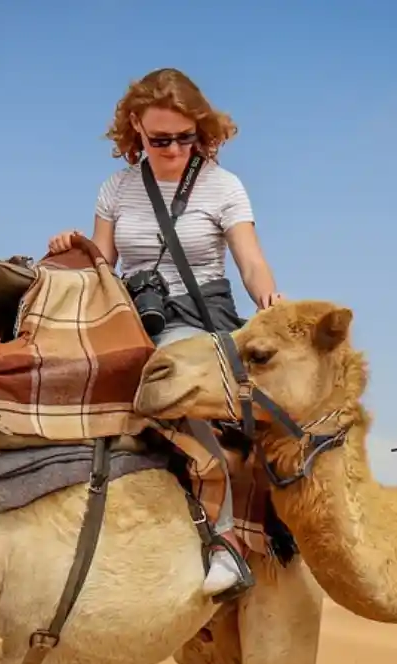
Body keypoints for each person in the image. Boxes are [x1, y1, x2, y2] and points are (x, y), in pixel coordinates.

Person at [48, 67, 283, 596]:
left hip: (198, 320)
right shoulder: (116, 189)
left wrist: (268, 299)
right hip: (133, 316)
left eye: (185, 137)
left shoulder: (223, 187)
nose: (174, 149)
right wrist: (73, 246)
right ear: (136, 127)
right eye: (160, 140)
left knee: (172, 378)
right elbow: (102, 266)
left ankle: (225, 539)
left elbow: (250, 261)